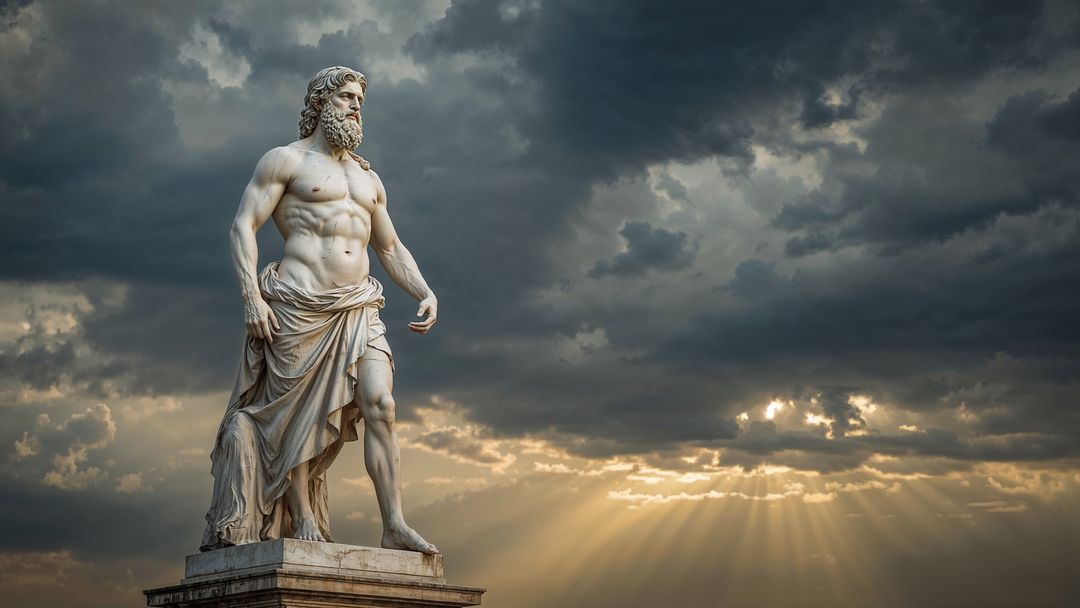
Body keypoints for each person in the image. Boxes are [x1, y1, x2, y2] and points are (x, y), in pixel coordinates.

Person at [200, 66, 438, 554]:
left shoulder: (367, 177)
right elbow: (243, 225)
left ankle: (393, 522)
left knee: (382, 405)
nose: (355, 107)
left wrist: (424, 290)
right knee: (297, 416)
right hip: (297, 303)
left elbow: (389, 247)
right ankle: (302, 513)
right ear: (320, 102)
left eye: (360, 100)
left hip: (358, 305)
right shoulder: (284, 161)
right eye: (346, 97)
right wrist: (250, 296)